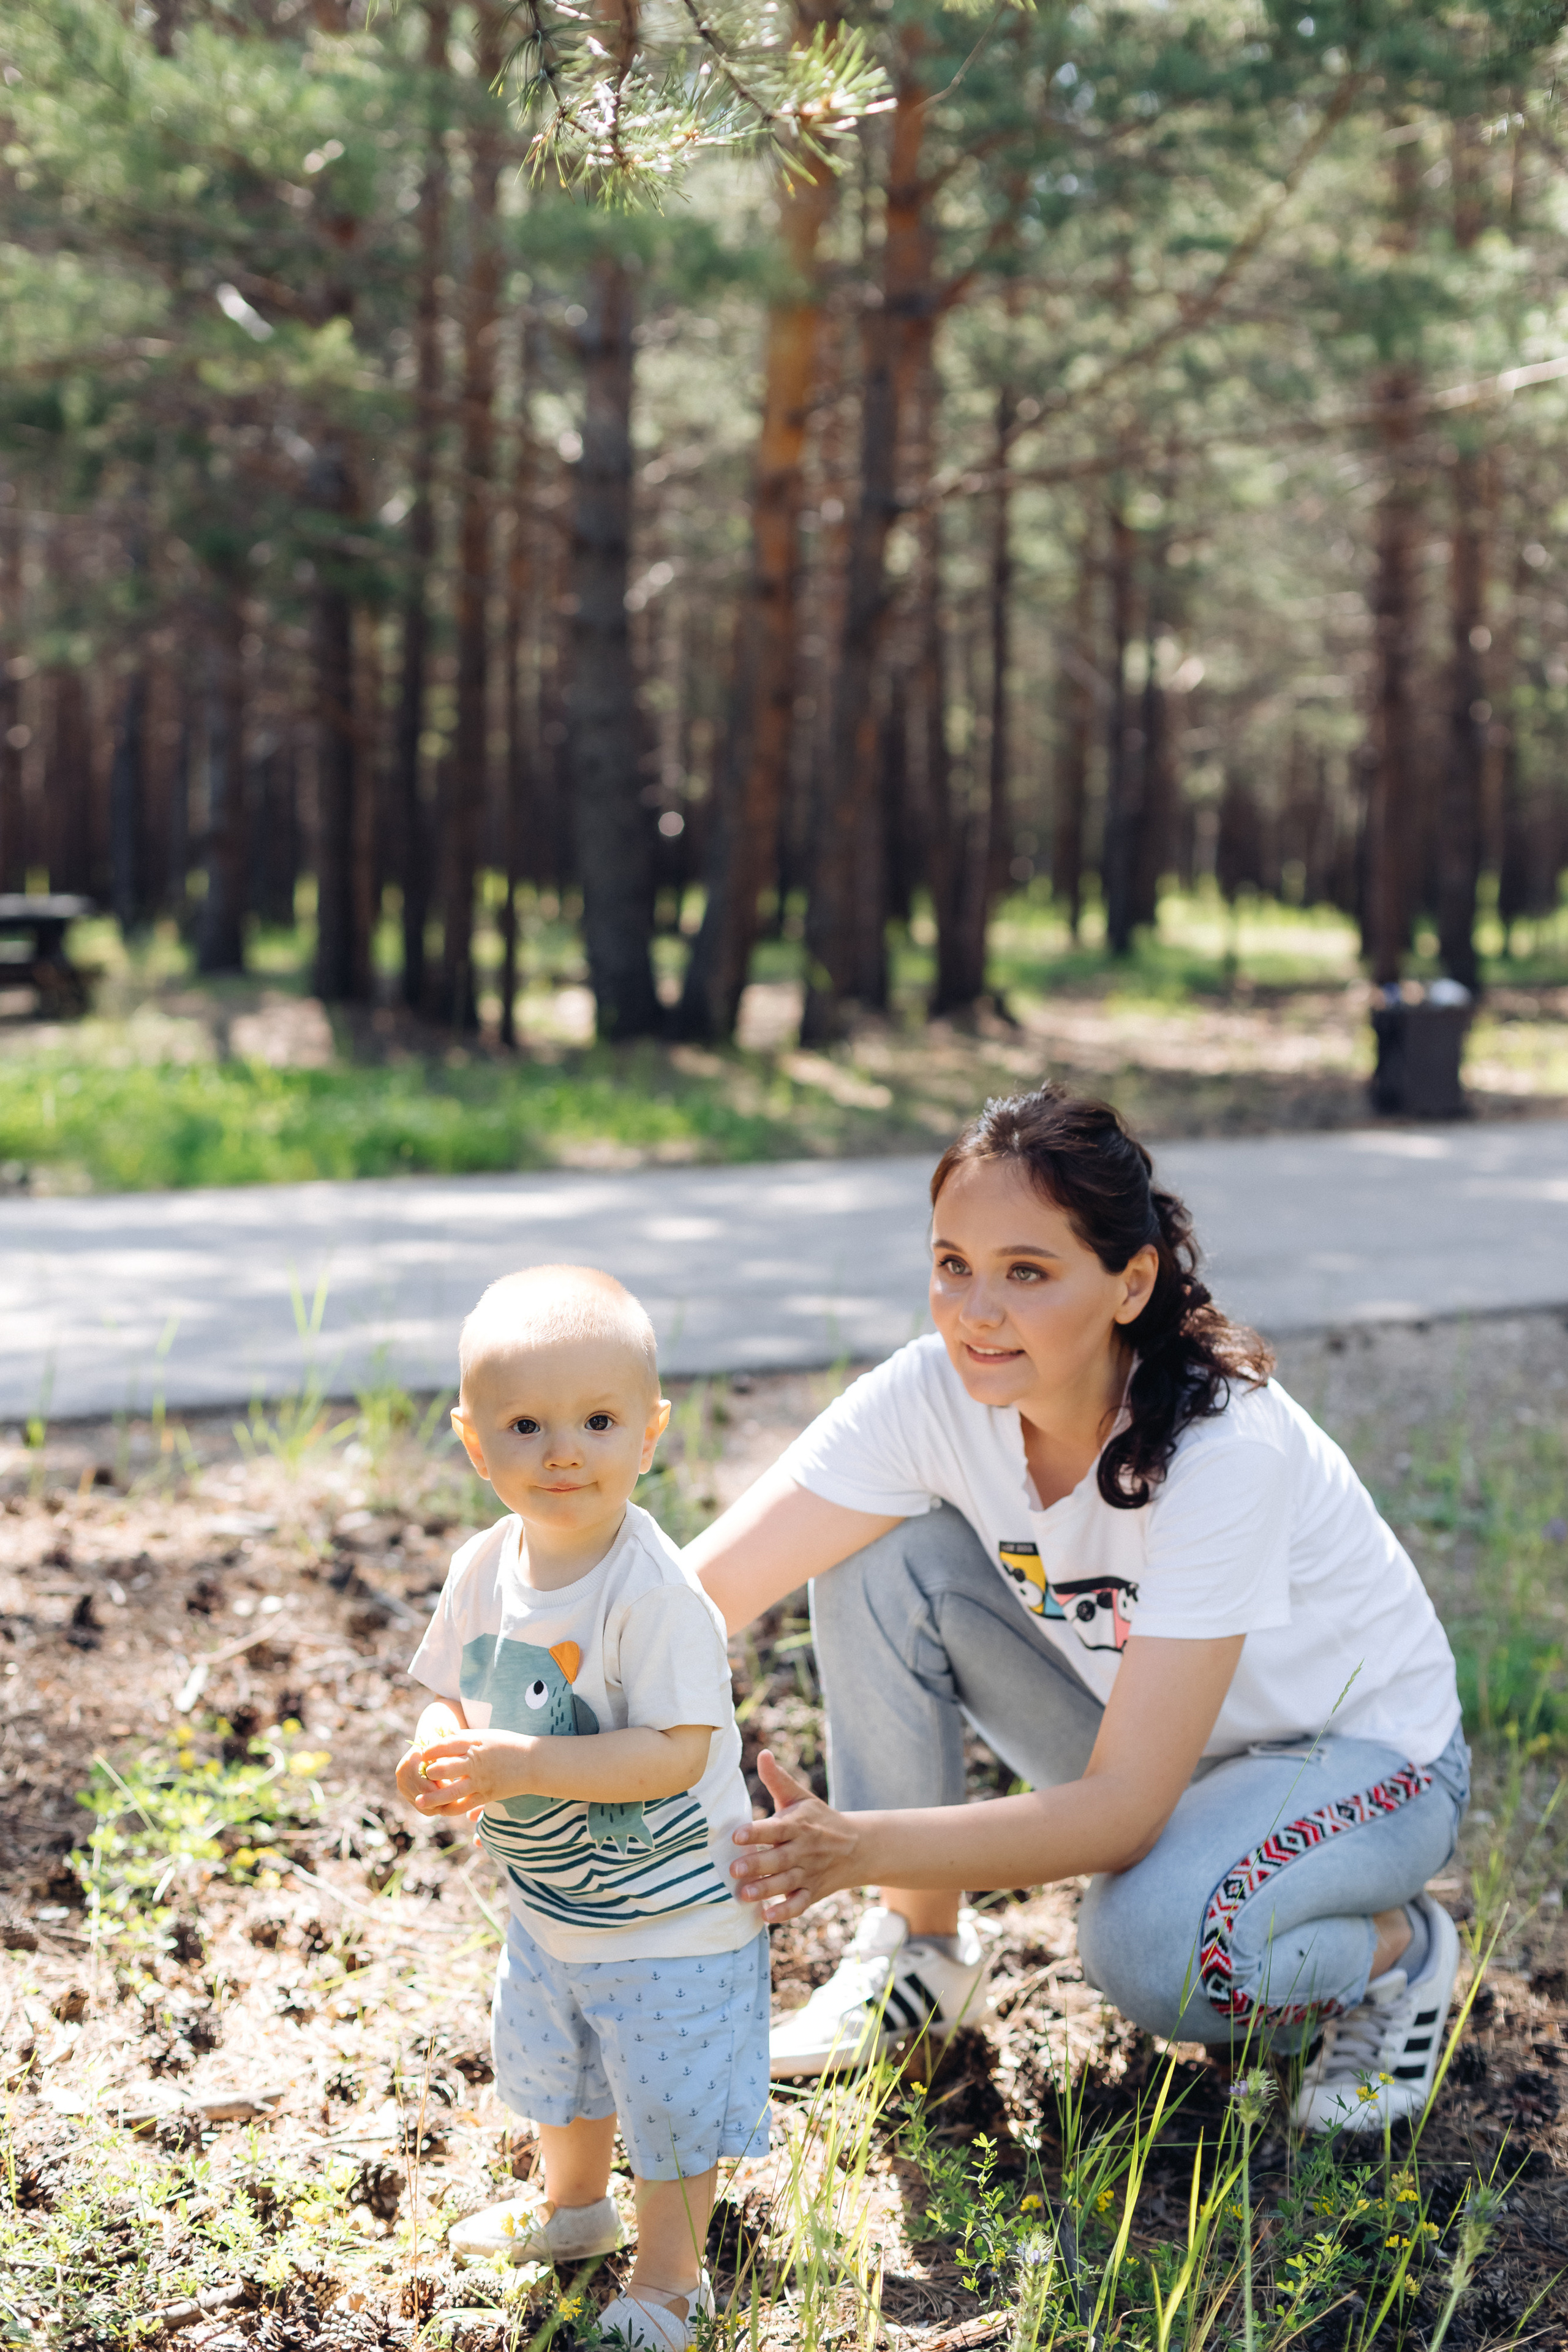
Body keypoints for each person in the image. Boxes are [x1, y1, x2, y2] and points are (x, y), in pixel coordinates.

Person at [687, 1088, 1469, 2136]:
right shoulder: (932, 1396)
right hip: (1162, 1750)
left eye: (1027, 1272)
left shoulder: (1221, 1450)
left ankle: (1398, 1952)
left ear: (1129, 1281)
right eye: (953, 1263)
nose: (975, 1310)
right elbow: (697, 1594)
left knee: (1151, 1952)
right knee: (884, 1557)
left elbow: (1123, 1810)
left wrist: (859, 1842)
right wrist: (495, 1695)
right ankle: (919, 1958)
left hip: (1365, 1762)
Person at [396, 1266, 767, 2351]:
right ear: (476, 1445)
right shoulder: (484, 1565)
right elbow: (448, 1693)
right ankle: (573, 2212)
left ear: (649, 1433)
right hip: (555, 1905)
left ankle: (668, 2280)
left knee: (664, 2100)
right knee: (561, 2068)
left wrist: (525, 1768)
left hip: (672, 1920)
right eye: (526, 1425)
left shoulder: (652, 1592)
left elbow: (670, 1757)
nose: (564, 1451)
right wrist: (436, 1753)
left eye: (598, 1421)